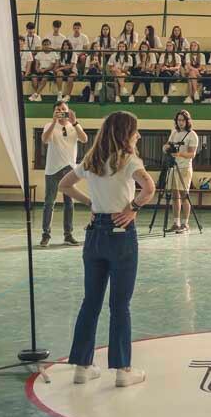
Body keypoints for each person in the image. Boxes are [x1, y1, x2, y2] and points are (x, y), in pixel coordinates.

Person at [59, 111, 156, 388]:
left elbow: (65, 185)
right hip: (120, 235)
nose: (138, 135)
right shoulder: (129, 161)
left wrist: (90, 203)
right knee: (119, 305)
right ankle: (123, 371)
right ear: (126, 133)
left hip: (94, 236)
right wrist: (133, 208)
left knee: (90, 302)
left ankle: (82, 366)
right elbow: (148, 187)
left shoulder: (91, 160)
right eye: (135, 131)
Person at [40, 103, 85, 247]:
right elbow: (45, 140)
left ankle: (68, 235)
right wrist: (54, 122)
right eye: (58, 110)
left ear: (69, 111)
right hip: (53, 169)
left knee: (69, 203)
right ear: (54, 112)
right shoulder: (49, 125)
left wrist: (75, 122)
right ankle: (46, 235)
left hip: (70, 169)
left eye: (64, 110)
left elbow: (84, 139)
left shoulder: (74, 126)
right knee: (49, 203)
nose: (61, 112)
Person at [166, 109, 200, 234]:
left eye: (183, 120)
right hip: (173, 167)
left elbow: (192, 154)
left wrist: (180, 154)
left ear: (187, 121)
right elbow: (168, 145)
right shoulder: (174, 133)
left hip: (185, 168)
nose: (180, 122)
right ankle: (176, 223)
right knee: (175, 195)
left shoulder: (192, 135)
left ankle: (185, 224)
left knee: (184, 195)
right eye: (178, 120)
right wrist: (166, 148)